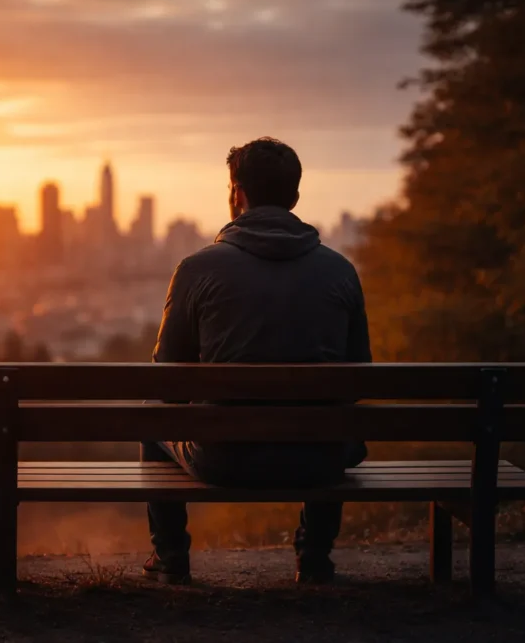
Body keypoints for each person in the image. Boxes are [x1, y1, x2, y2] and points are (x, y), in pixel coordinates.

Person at [142, 137, 372, 586]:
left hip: (224, 459)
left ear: (238, 195)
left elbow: (168, 382)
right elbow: (356, 377)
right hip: (319, 460)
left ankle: (170, 557)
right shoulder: (340, 270)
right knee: (338, 420)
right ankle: (315, 557)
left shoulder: (197, 269)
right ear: (295, 199)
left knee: (153, 416)